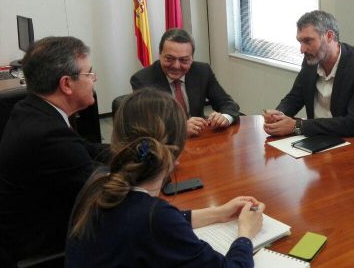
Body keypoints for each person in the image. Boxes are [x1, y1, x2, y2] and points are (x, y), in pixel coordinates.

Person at [65, 88, 264, 267]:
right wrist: (246, 233)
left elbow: (162, 221)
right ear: (178, 149)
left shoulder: (96, 183)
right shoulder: (154, 218)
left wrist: (219, 213)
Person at [0, 37, 109, 265]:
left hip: (22, 232)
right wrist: (149, 165)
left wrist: (133, 150)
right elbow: (104, 191)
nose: (95, 79)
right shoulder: (47, 135)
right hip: (40, 249)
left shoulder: (31, 109)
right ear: (66, 84)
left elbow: (85, 149)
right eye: (89, 74)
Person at [263, 10, 354, 137]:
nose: (302, 50)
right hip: (316, 137)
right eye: (300, 42)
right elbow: (294, 98)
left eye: (308, 41)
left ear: (329, 36)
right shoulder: (311, 60)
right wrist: (278, 115)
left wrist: (297, 126)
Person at [131, 29, 240, 137]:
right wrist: (179, 129)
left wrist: (224, 118)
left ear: (192, 58)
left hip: (198, 140)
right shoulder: (142, 80)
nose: (176, 66)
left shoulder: (202, 71)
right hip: (164, 146)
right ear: (160, 55)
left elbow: (227, 103)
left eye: (184, 60)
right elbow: (145, 125)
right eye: (169, 59)